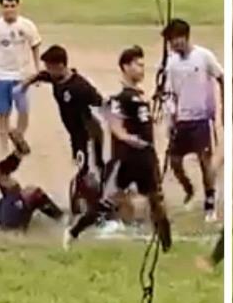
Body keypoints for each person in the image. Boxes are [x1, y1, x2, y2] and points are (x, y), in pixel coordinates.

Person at [65, 46, 172, 252]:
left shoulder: (141, 98)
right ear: (125, 67)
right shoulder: (120, 99)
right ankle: (73, 232)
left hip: (146, 159)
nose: (142, 69)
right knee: (106, 203)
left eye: (143, 65)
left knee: (157, 201)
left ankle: (167, 246)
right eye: (138, 65)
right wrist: (132, 140)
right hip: (126, 159)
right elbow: (116, 127)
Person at [20, 45, 106, 217]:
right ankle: (87, 205)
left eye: (50, 67)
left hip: (87, 137)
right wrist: (27, 83)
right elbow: (43, 76)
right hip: (75, 137)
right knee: (83, 171)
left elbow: (100, 105)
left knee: (86, 174)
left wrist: (96, 137)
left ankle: (92, 209)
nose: (47, 71)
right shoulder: (57, 78)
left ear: (60, 65)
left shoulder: (80, 87)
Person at [162, 19, 225, 220]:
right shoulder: (171, 63)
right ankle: (189, 188)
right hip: (182, 119)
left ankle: (209, 201)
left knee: (204, 161)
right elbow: (170, 91)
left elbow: (222, 77)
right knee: (174, 161)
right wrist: (170, 116)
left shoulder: (203, 56)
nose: (172, 45)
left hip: (201, 119)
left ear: (184, 37)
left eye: (174, 40)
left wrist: (222, 105)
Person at [0, 0, 40, 156]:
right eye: (6, 6)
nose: (9, 9)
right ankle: (4, 148)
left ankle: (18, 136)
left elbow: (35, 46)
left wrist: (37, 70)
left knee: (23, 111)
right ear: (1, 8)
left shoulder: (27, 25)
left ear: (18, 6)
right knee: (3, 113)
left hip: (21, 76)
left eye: (12, 6)